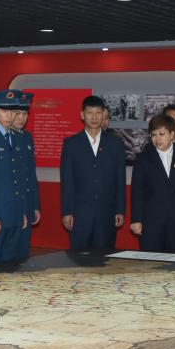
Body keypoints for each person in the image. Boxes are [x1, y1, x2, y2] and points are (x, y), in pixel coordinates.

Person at [59, 95, 126, 251]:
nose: (94, 117)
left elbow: (120, 179)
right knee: (79, 257)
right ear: (82, 115)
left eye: (98, 113)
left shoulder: (115, 143)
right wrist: (67, 211)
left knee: (104, 257)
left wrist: (120, 209)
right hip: (80, 214)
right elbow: (67, 180)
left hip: (107, 213)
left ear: (103, 115)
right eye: (90, 113)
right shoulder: (71, 144)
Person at [129, 114, 175, 253]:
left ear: (172, 134)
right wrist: (136, 219)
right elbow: (137, 191)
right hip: (151, 222)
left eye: (161, 134)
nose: (157, 138)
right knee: (151, 262)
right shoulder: (143, 158)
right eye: (153, 134)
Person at [0, 89, 29, 264]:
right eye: (4, 111)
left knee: (12, 264)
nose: (10, 116)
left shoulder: (18, 138)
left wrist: (22, 211)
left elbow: (20, 178)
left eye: (13, 111)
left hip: (15, 212)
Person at [12, 90, 40, 261]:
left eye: (24, 114)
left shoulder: (27, 137)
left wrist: (35, 205)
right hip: (13, 206)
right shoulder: (6, 138)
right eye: (17, 113)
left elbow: (31, 175)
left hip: (27, 202)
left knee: (23, 254)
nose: (21, 118)